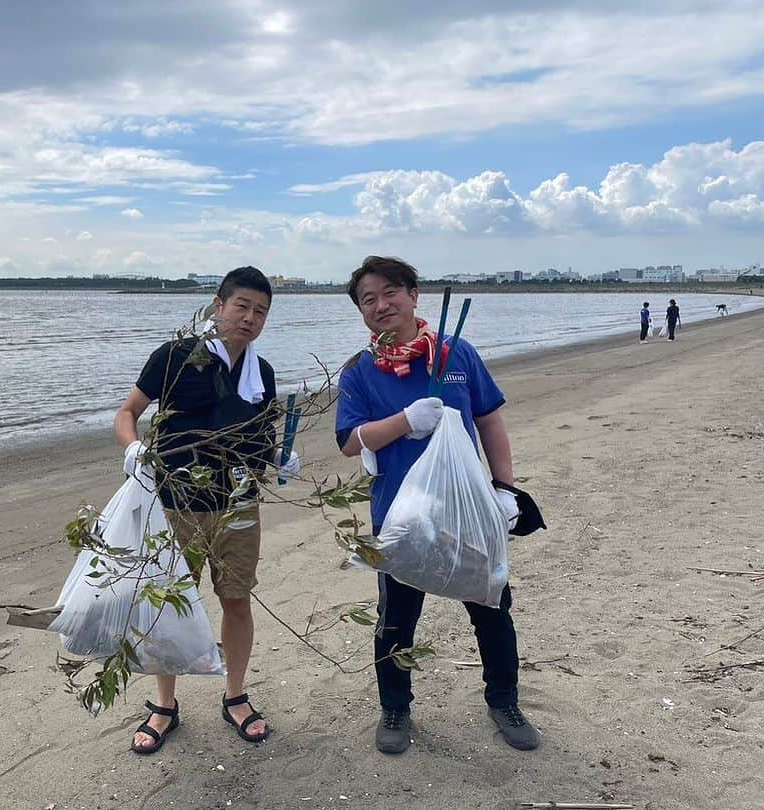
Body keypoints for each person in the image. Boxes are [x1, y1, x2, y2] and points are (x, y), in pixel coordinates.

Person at [334, 256, 541, 754]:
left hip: (467, 510)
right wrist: (404, 420)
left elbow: (489, 421)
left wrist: (505, 489)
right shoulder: (360, 371)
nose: (381, 305)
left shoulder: (456, 354)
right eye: (368, 299)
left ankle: (504, 700)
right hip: (400, 517)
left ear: (412, 294)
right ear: (361, 311)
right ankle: (395, 708)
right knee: (395, 621)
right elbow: (349, 441)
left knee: (492, 608)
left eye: (390, 292)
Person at [114, 266, 301, 754]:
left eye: (261, 311)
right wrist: (133, 450)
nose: (250, 318)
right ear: (218, 306)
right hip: (177, 503)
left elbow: (261, 439)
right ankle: (164, 705)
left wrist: (279, 457)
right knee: (167, 603)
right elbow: (127, 412)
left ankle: (234, 695)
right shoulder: (176, 356)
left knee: (237, 599)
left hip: (238, 504)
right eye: (241, 306)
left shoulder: (261, 373)